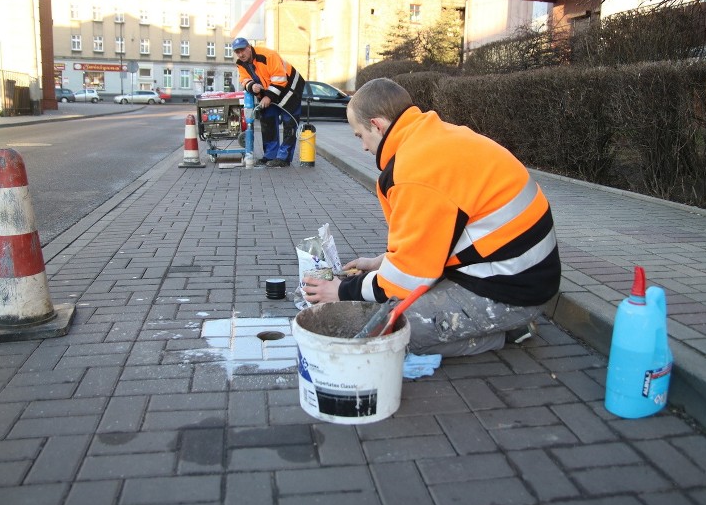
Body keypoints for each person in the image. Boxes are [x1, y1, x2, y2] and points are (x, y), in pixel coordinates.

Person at [302, 78, 561, 357]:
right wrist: (381, 263)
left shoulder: (415, 171)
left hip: (511, 292)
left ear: (376, 125)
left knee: (386, 331)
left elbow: (406, 280)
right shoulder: (430, 138)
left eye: (359, 135)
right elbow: (434, 242)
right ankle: (501, 324)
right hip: (514, 275)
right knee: (387, 308)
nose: (363, 147)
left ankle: (502, 332)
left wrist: (341, 291)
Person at [232, 37, 306, 167]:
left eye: (242, 50)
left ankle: (284, 157)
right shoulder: (241, 63)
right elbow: (244, 79)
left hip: (290, 88)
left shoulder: (268, 55)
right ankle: (270, 155)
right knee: (267, 120)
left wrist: (268, 97)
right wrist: (252, 86)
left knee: (289, 123)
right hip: (270, 90)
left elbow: (280, 78)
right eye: (237, 52)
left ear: (249, 47)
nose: (240, 54)